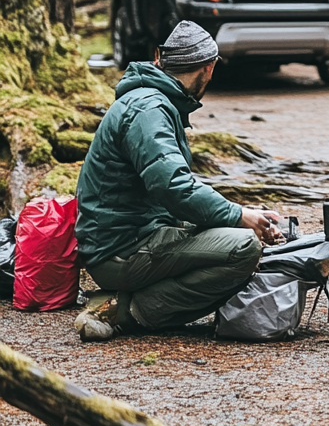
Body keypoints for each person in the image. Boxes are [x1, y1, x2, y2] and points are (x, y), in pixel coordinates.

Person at [74, 20, 280, 341]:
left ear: (160, 59)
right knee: (243, 248)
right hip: (119, 251)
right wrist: (238, 217)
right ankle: (126, 310)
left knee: (227, 233)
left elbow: (173, 191)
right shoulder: (149, 109)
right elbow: (173, 187)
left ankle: (123, 300)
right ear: (208, 69)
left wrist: (238, 215)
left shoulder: (152, 101)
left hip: (132, 238)